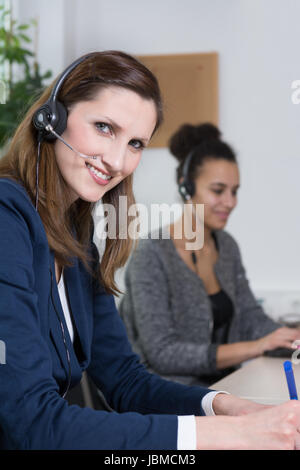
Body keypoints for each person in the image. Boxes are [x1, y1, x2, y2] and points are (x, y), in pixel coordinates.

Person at [0, 51, 300, 451]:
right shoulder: (7, 218)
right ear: (51, 118)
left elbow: (125, 380)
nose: (118, 161)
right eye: (104, 127)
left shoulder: (77, 239)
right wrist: (227, 435)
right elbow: (32, 423)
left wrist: (228, 407)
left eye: (136, 143)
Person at [119, 123, 300, 387]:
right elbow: (163, 354)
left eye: (234, 191)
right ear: (186, 188)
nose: (231, 202)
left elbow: (250, 317)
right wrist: (256, 347)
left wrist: (290, 337)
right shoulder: (151, 253)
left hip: (223, 387)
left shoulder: (226, 246)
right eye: (218, 190)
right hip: (166, 395)